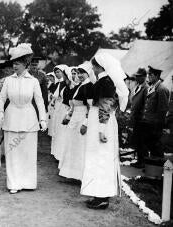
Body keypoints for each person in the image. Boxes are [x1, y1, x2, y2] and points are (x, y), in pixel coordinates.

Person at [81, 53, 129, 209]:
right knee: (97, 158)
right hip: (98, 121)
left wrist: (102, 129)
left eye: (94, 66)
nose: (93, 69)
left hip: (103, 123)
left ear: (98, 66)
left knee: (102, 158)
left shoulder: (107, 82)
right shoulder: (103, 81)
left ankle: (102, 197)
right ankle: (97, 193)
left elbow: (106, 106)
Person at [0, 43, 47, 194]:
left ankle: (28, 182)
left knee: (27, 152)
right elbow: (1, 99)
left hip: (29, 118)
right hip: (11, 117)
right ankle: (14, 183)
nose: (14, 66)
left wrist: (43, 119)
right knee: (12, 152)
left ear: (25, 64)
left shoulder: (33, 81)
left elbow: (39, 101)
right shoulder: (8, 80)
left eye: (18, 63)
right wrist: (0, 112)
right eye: (13, 63)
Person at [58, 62, 94, 180]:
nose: (79, 75)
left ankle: (81, 175)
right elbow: (73, 105)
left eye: (82, 73)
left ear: (88, 74)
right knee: (72, 145)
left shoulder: (89, 87)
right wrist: (68, 116)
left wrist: (86, 123)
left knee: (80, 146)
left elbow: (90, 107)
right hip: (75, 118)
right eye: (78, 73)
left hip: (82, 118)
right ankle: (71, 173)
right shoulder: (80, 86)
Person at [136, 66, 169, 167]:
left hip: (154, 124)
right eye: (148, 74)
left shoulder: (162, 89)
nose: (148, 76)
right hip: (147, 122)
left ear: (157, 76)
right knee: (147, 144)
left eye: (151, 75)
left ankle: (158, 168)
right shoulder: (152, 87)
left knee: (156, 146)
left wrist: (158, 126)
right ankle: (149, 167)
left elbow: (162, 109)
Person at [129, 68, 148, 168]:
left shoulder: (146, 88)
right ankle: (140, 161)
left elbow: (146, 104)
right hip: (136, 118)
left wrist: (143, 117)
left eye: (139, 76)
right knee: (137, 140)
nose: (137, 78)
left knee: (142, 141)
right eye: (136, 76)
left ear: (144, 77)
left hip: (141, 119)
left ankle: (143, 162)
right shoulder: (137, 86)